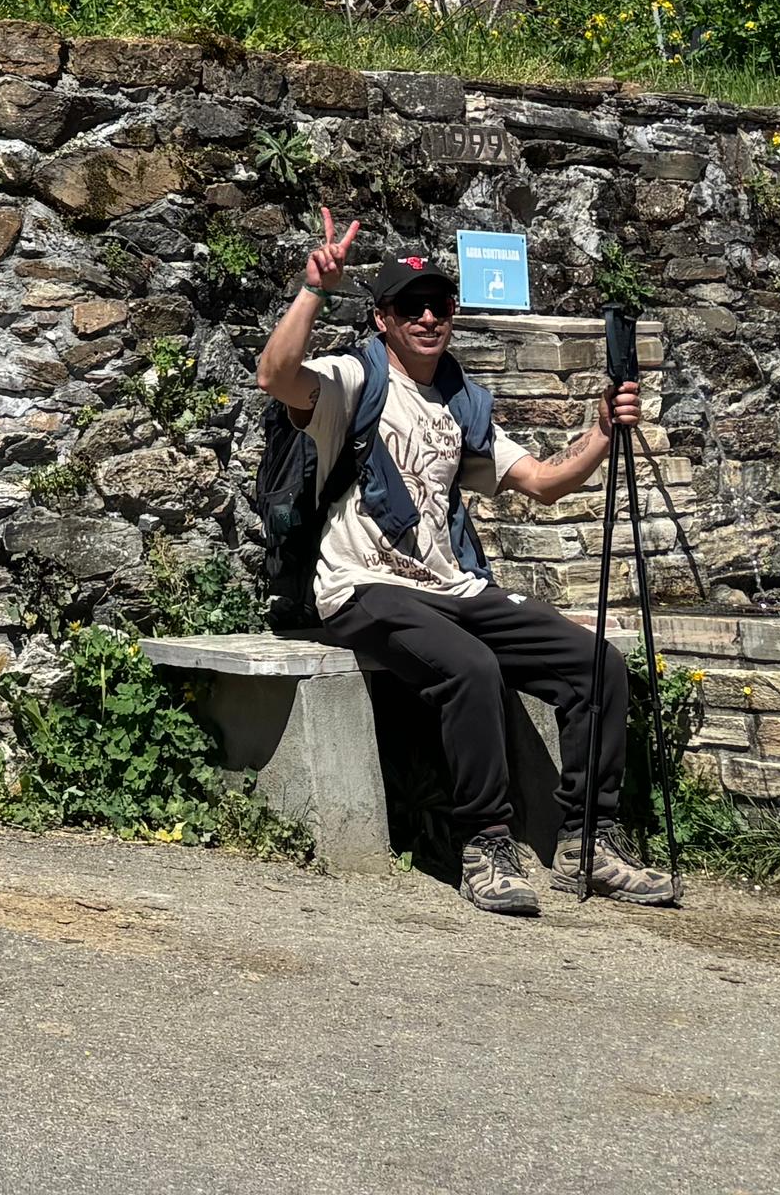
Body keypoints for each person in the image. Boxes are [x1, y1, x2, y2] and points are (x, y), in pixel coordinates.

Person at [255, 209, 681, 916]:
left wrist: (603, 432)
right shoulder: (351, 381)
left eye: (440, 305)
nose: (428, 317)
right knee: (472, 667)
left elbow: (542, 482)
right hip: (363, 586)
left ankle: (590, 841)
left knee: (597, 666)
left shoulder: (462, 402)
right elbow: (275, 375)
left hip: (450, 586)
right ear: (383, 319)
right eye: (410, 307)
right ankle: (485, 844)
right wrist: (314, 289)